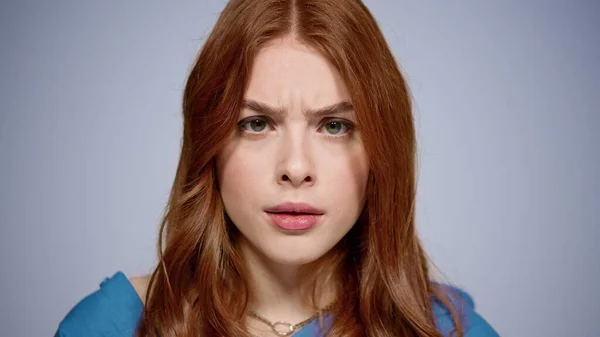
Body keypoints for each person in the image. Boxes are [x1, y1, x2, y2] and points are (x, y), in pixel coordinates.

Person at [55, 0, 499, 336]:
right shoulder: (110, 325)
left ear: (384, 148)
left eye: (335, 125)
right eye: (257, 123)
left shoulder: (451, 330)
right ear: (208, 141)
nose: (296, 166)